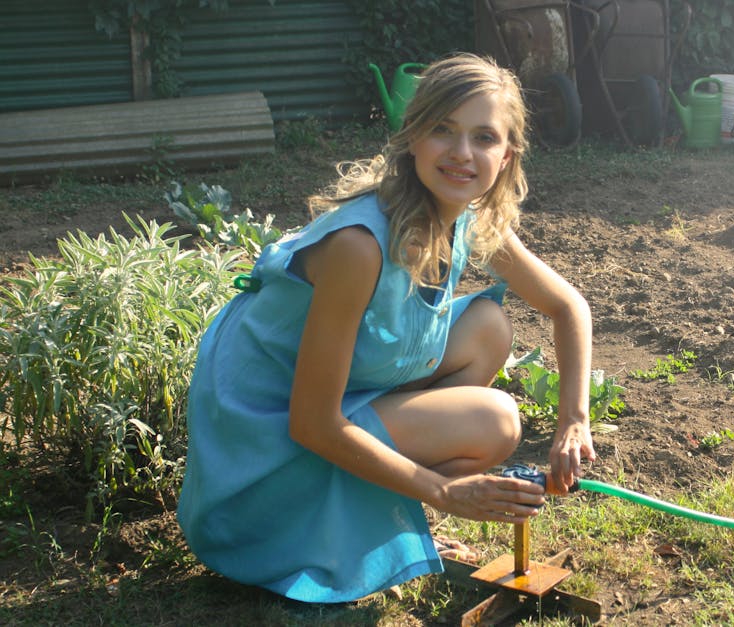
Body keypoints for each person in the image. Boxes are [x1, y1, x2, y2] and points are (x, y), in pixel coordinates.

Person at [176, 53, 596, 603]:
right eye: (443, 129)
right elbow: (309, 423)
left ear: (506, 155)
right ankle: (351, 518)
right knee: (495, 419)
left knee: (489, 326)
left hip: (325, 410)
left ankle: (376, 502)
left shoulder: (465, 214)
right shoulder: (359, 246)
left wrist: (575, 422)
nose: (462, 152)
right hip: (259, 465)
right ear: (413, 137)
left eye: (483, 137)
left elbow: (568, 306)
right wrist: (445, 491)